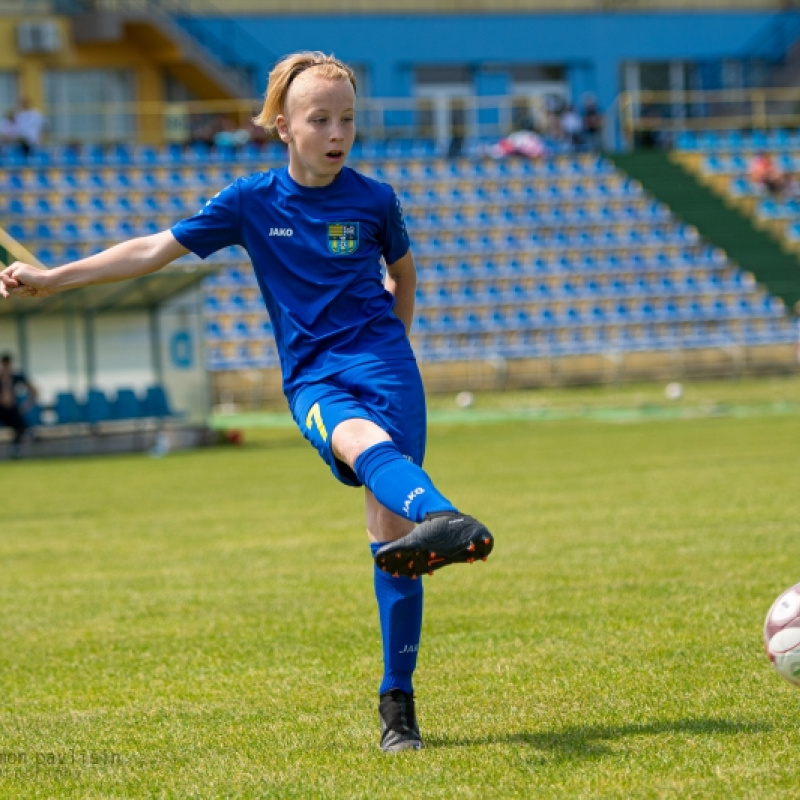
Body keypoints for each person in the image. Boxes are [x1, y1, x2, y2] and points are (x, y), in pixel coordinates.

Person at [0, 51, 494, 753]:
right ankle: (443, 517)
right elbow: (151, 250)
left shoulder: (376, 199)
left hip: (388, 368)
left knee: (392, 545)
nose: (336, 131)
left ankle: (398, 707)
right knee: (359, 448)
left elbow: (403, 274)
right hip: (316, 377)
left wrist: (397, 343)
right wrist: (53, 278)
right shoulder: (250, 202)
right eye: (319, 118)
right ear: (282, 127)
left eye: (347, 119)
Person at [0, 353, 37, 459]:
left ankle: (17, 450)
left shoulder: (16, 377)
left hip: (12, 409)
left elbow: (33, 389)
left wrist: (27, 405)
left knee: (21, 428)